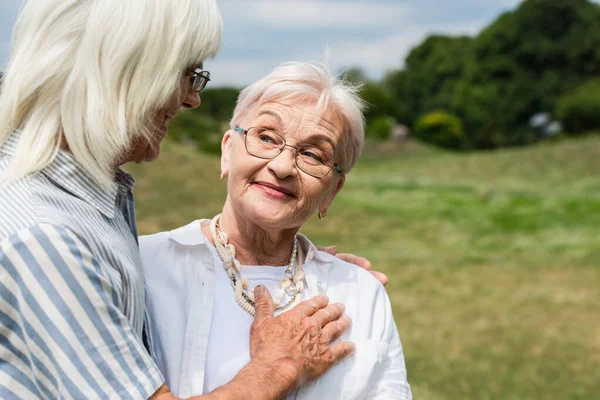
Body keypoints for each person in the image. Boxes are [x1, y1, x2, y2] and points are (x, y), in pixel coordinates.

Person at [0, 1, 383, 399]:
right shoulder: (45, 236)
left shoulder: (84, 212)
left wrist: (312, 271)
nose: (192, 98)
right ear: (120, 68)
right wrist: (280, 365)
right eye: (185, 72)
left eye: (313, 155)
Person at [141, 61, 413, 399]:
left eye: (313, 154)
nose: (282, 166)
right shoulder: (142, 266)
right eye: (267, 137)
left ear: (332, 191)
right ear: (228, 151)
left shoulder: (360, 294)